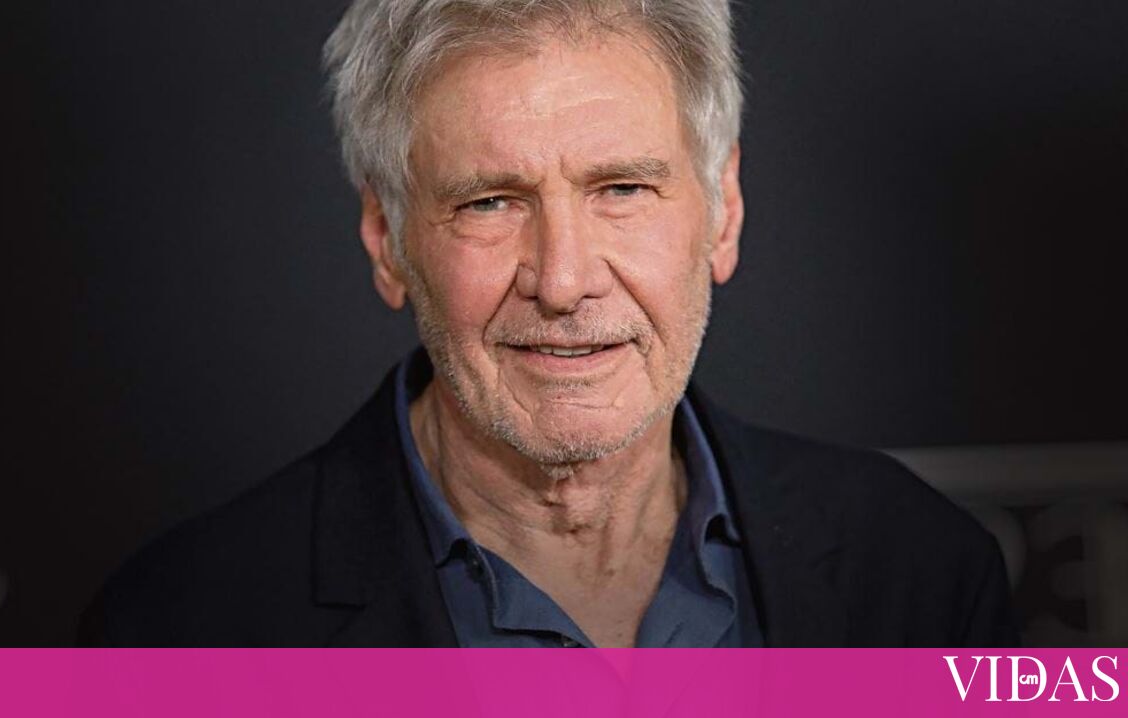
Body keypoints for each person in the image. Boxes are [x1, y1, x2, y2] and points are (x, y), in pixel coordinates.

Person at [80, 0, 1017, 647]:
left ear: (723, 211)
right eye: (489, 201)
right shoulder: (177, 633)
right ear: (387, 240)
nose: (564, 281)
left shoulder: (920, 569)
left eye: (622, 189)